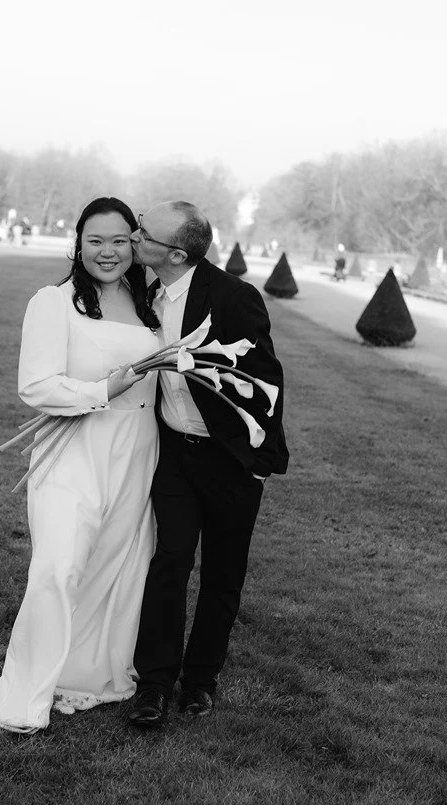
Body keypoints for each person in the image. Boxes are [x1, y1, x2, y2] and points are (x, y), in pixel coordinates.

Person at [0, 197, 162, 734]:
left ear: (135, 244)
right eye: (96, 240)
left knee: (115, 565)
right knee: (59, 566)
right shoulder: (54, 302)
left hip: (137, 447)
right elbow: (35, 385)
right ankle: (26, 690)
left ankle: (86, 673)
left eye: (120, 240)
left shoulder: (148, 301)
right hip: (72, 446)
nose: (108, 252)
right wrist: (104, 389)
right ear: (78, 244)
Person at [126, 200, 289, 727]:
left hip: (230, 464)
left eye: (142, 232)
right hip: (173, 454)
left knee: (223, 574)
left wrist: (257, 465)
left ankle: (200, 682)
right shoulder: (139, 288)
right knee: (169, 561)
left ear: (175, 253)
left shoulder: (234, 297)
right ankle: (153, 684)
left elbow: (264, 381)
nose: (133, 235)